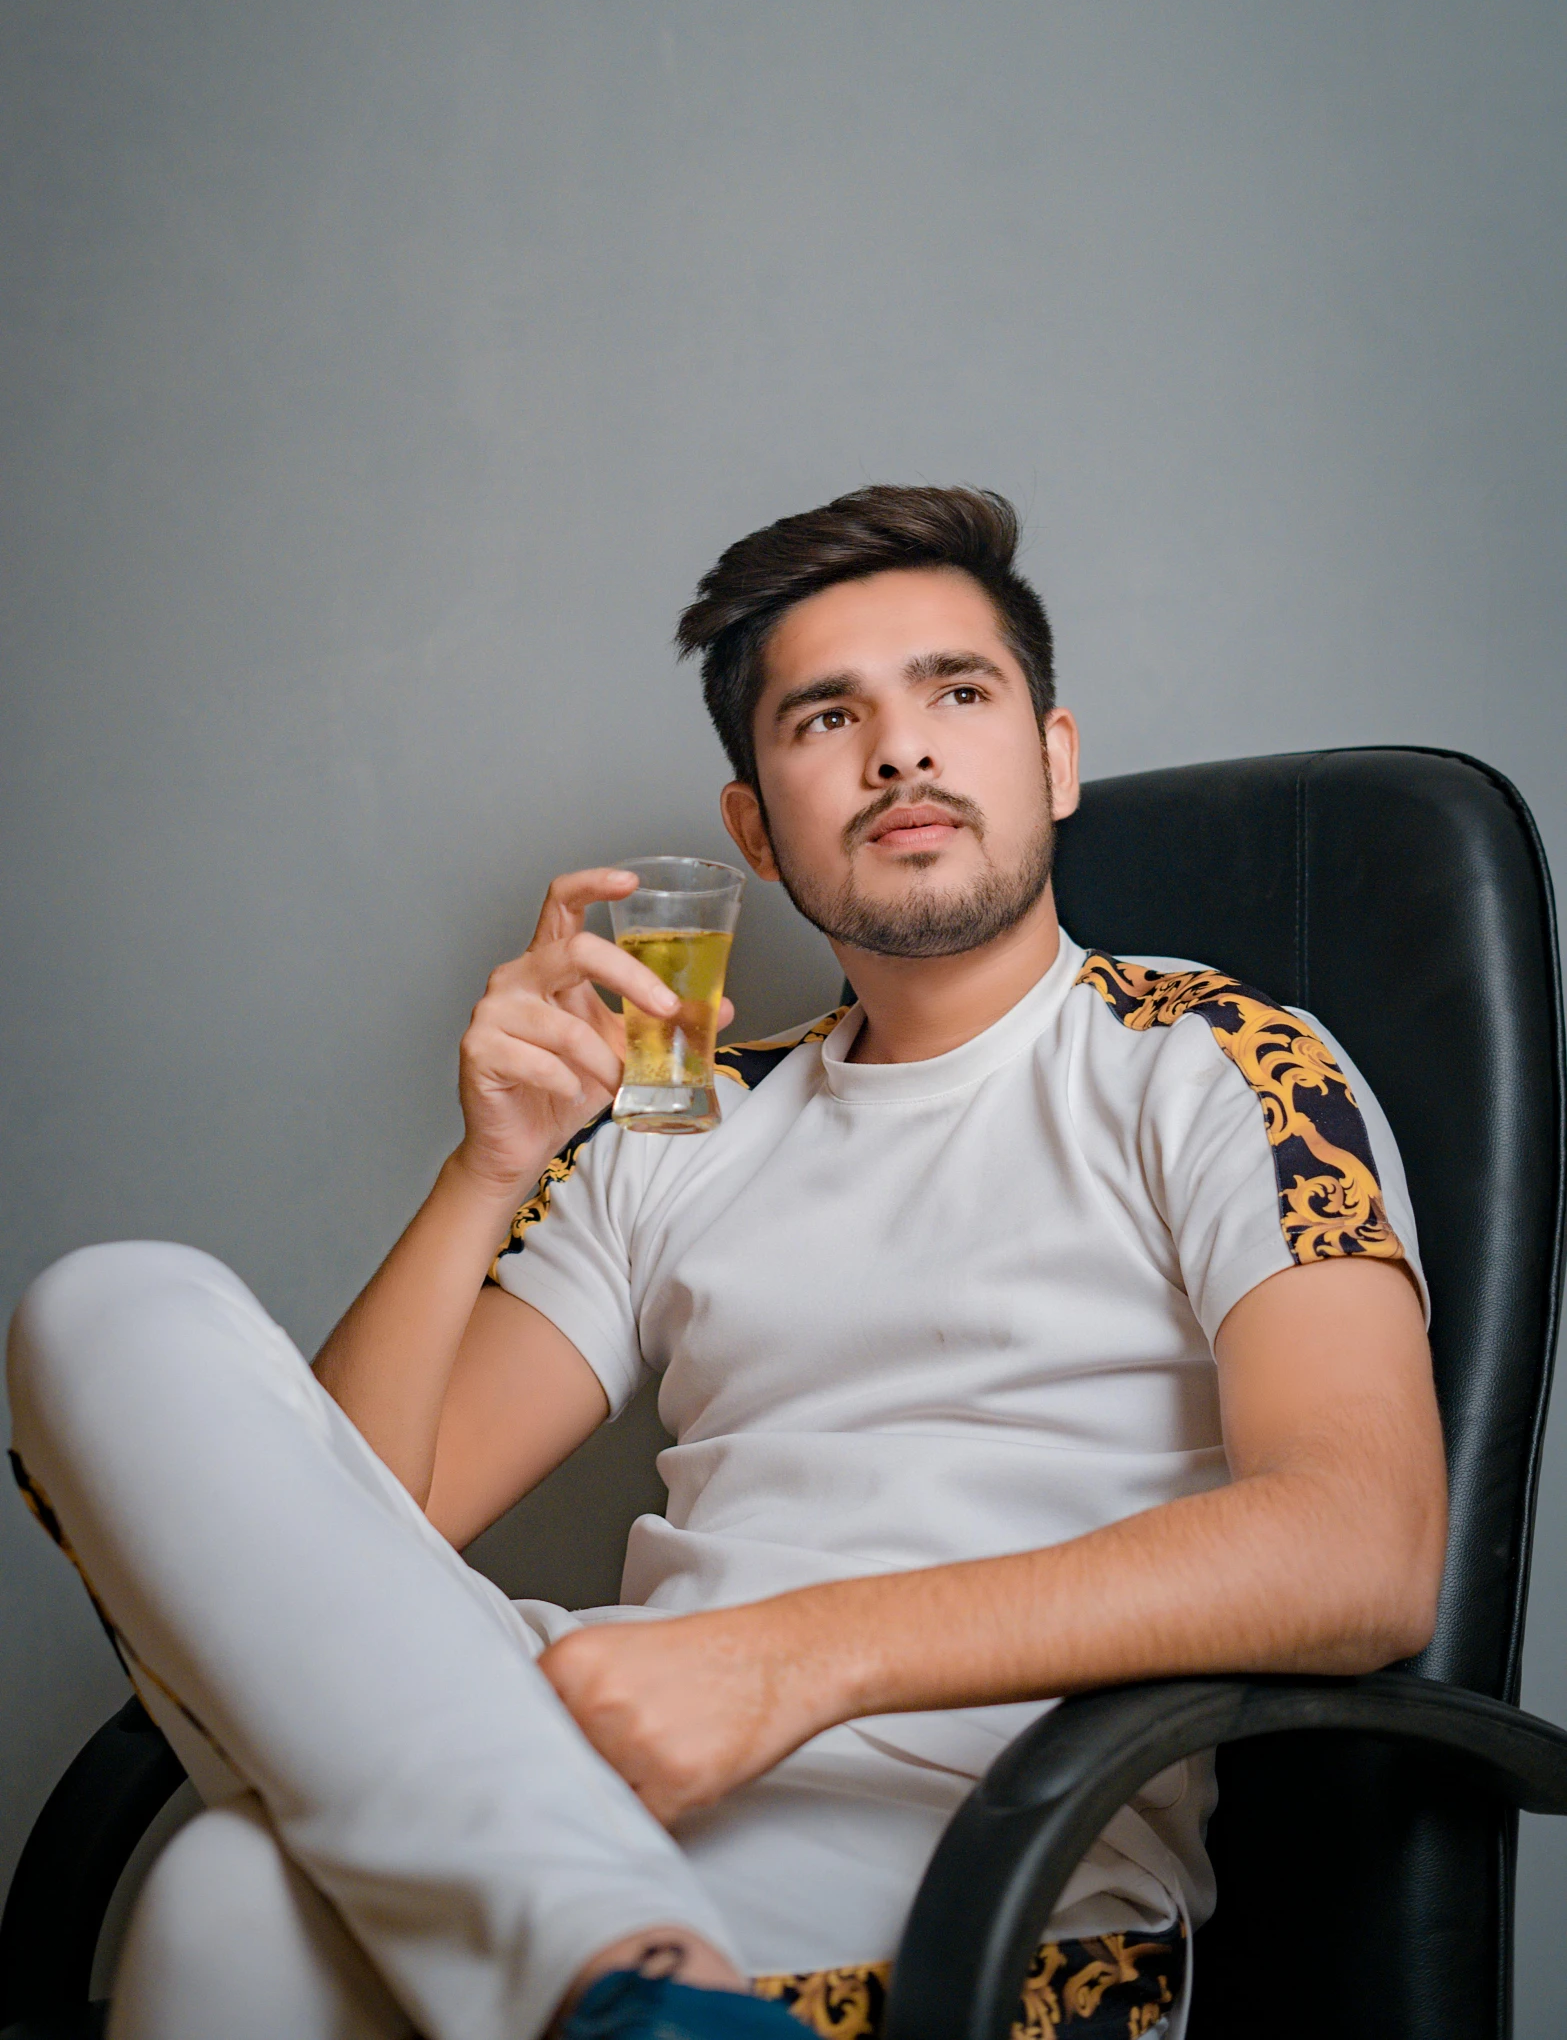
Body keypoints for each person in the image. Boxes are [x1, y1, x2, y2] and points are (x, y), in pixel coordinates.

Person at [7, 486, 1445, 2040]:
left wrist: (786, 1661)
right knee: (107, 1307)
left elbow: (1359, 1544)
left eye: (956, 692)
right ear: (752, 827)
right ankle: (626, 1972)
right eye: (828, 715)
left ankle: (616, 1967)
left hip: (973, 1850)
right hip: (587, 1773)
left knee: (226, 1898)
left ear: (1051, 758)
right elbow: (342, 1536)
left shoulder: (1214, 1061)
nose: (900, 749)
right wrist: (487, 1168)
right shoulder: (676, 1125)